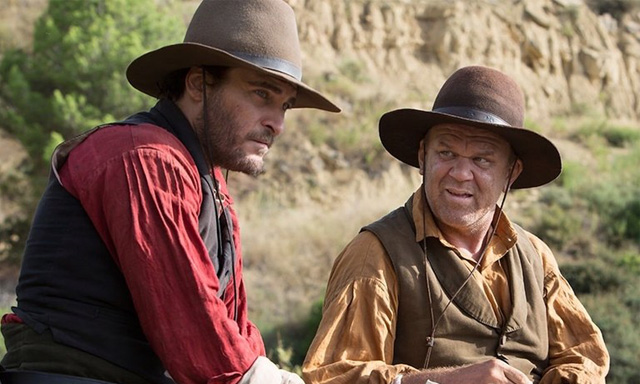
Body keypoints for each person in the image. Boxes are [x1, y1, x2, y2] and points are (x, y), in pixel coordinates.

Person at [0, 1, 339, 383]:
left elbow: (231, 328)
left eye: (286, 106)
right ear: (198, 84)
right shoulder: (145, 158)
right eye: (262, 94)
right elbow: (195, 329)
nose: (277, 124)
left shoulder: (208, 183)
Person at [302, 66, 609, 384]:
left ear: (511, 173)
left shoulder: (535, 256)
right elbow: (333, 376)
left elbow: (584, 357)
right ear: (423, 157)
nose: (461, 173)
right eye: (446, 153)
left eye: (482, 160)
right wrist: (446, 380)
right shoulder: (376, 254)